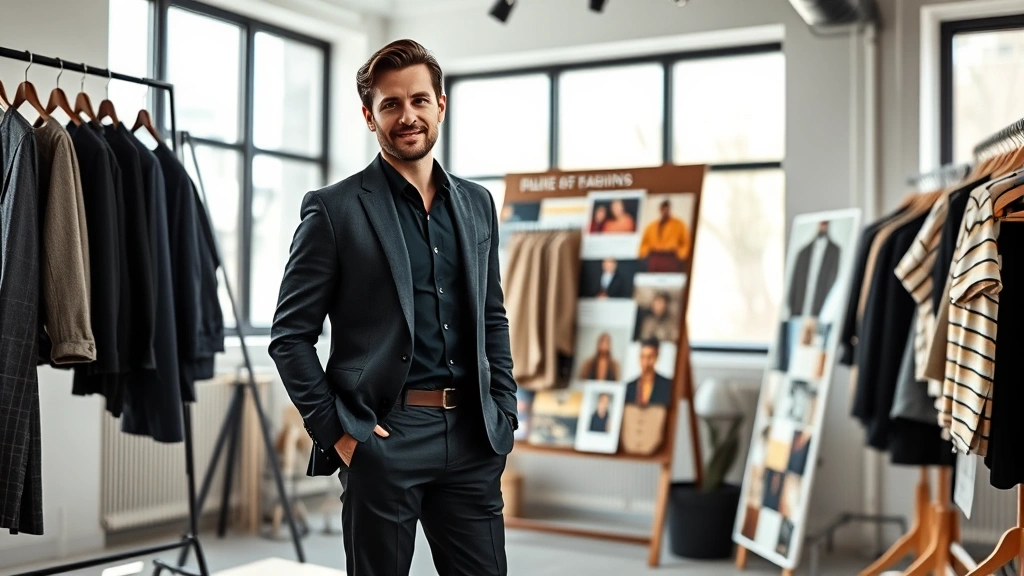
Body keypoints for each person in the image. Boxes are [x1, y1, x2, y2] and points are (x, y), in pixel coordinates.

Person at [269, 39, 516, 576]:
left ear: (440, 105)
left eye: (420, 101)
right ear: (369, 116)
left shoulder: (478, 204)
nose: (408, 116)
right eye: (391, 104)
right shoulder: (334, 210)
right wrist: (338, 434)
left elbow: (491, 314)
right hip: (385, 435)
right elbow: (289, 337)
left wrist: (504, 406)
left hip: (474, 436)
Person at [787, 220, 841, 318]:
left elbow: (833, 283)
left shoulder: (834, 251)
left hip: (821, 314)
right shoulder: (803, 252)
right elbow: (794, 283)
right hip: (799, 312)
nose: (823, 226)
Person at [639, 198, 691, 272]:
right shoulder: (651, 226)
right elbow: (644, 244)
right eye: (663, 209)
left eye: (667, 209)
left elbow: (685, 243)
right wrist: (644, 255)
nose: (665, 212)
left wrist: (681, 255)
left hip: (671, 258)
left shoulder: (679, 224)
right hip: (655, 258)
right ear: (660, 210)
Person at [624, 338, 672, 406]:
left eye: (650, 357)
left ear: (657, 357)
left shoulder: (668, 386)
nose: (645, 362)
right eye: (642, 357)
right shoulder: (629, 387)